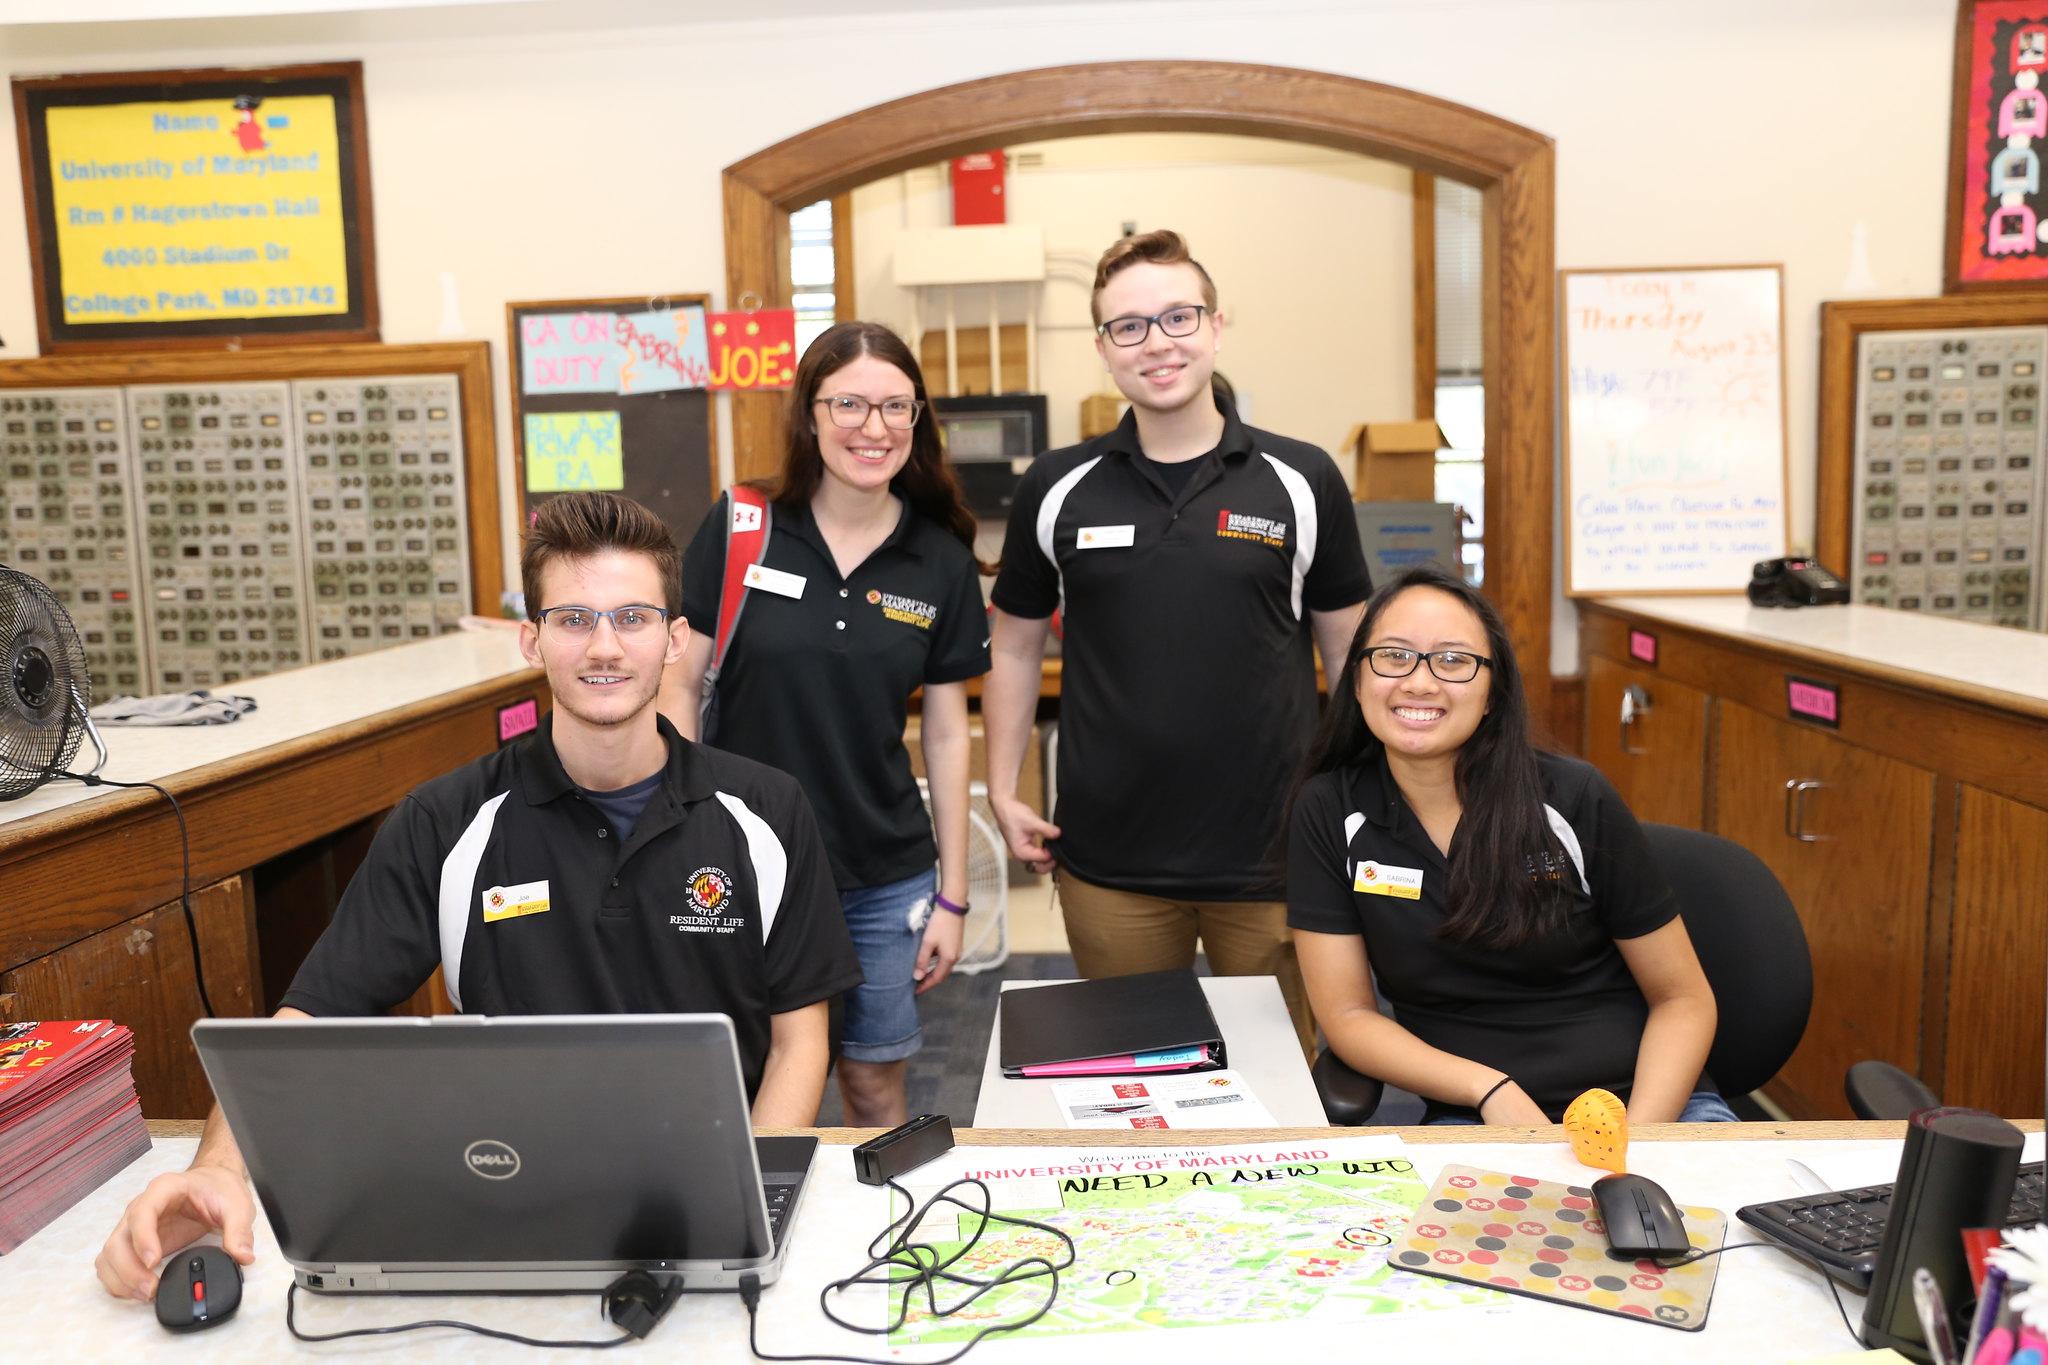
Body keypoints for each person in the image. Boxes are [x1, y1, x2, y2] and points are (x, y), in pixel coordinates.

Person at [95, 492, 862, 1302]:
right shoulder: (446, 820)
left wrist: (743, 1211)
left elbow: (796, 1044)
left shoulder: (765, 812)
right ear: (531, 639)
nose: (604, 645)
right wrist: (214, 1171)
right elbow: (307, 1024)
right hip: (508, 1198)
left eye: (633, 616)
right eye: (572, 619)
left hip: (708, 1203)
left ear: (675, 639)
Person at [983, 229, 1371, 1053]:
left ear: (1217, 326)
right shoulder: (1057, 486)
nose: (1156, 342)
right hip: (1111, 866)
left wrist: (1365, 794)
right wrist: (1003, 788)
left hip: (1275, 859)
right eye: (1129, 326)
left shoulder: (1303, 480)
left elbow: (1351, 651)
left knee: (1280, 1088)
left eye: (1177, 316)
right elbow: (1014, 647)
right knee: (1130, 1089)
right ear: (1103, 349)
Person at [665, 321, 990, 1128]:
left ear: (918, 420)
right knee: (754, 1085)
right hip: (742, 863)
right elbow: (678, 681)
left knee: (875, 1085)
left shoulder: (939, 557)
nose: (872, 428)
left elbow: (948, 732)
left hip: (881, 873)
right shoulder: (744, 526)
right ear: (810, 414)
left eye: (894, 407)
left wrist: (953, 893)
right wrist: (679, 828)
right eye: (849, 403)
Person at [1286, 564, 1728, 1125]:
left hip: (1647, 1105)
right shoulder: (1328, 809)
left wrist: (1636, 1143)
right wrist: (1487, 1089)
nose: (1419, 682)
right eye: (1394, 655)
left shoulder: (1571, 797)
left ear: (1493, 692)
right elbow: (1348, 1015)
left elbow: (1683, 999)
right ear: (1357, 677)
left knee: (1682, 1217)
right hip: (1477, 1114)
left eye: (1453, 660)